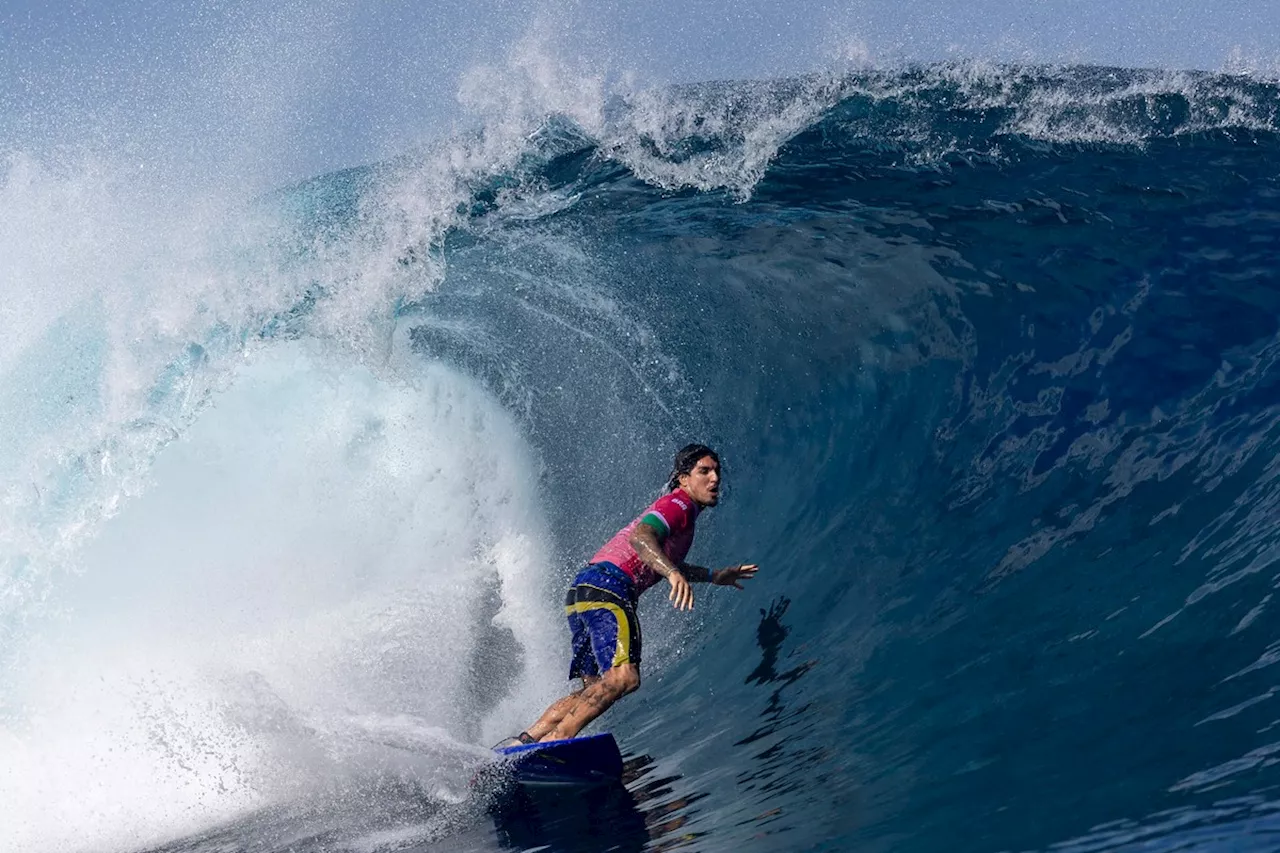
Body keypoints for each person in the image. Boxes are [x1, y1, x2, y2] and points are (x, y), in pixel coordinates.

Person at [497, 444, 759, 747]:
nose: (715, 479)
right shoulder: (679, 505)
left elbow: (662, 554)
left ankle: (525, 741)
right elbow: (640, 538)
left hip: (584, 589)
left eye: (717, 472)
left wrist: (713, 576)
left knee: (594, 689)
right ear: (684, 478)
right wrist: (672, 574)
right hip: (610, 587)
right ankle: (555, 743)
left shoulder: (678, 512)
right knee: (624, 677)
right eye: (704, 471)